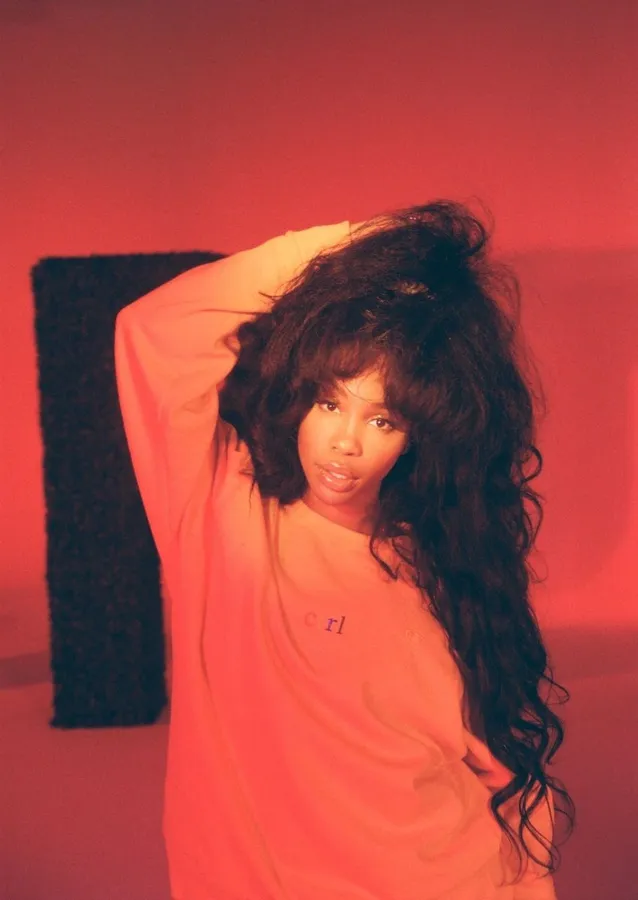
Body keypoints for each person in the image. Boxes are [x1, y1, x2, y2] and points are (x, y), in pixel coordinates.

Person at [114, 201, 574, 900]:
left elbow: (484, 761)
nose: (345, 442)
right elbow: (153, 329)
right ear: (299, 399)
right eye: (330, 403)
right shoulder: (220, 511)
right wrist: (364, 249)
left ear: (416, 436)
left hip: (447, 875)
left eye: (382, 419)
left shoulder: (437, 563)